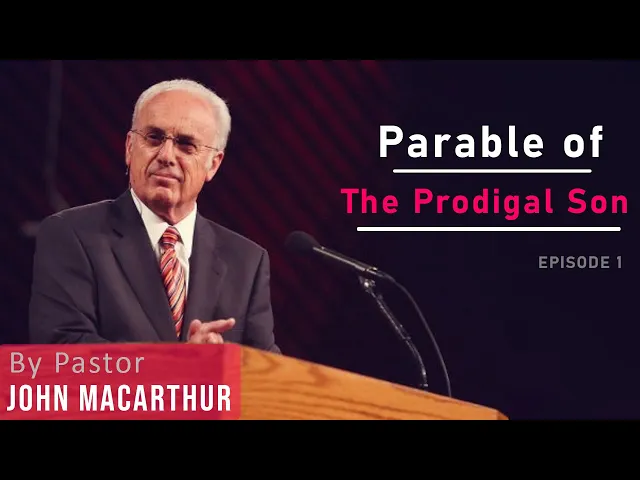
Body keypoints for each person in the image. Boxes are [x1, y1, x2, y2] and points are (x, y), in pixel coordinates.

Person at [28, 78, 280, 352]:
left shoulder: (246, 261)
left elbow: (268, 368)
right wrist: (178, 364)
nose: (166, 155)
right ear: (129, 148)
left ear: (213, 164)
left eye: (186, 145)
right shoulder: (72, 235)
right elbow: (62, 351)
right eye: (154, 138)